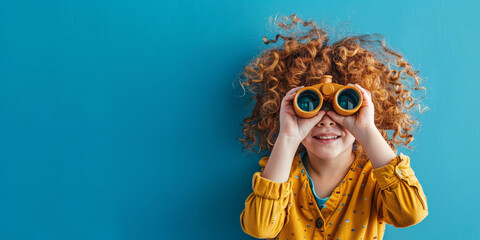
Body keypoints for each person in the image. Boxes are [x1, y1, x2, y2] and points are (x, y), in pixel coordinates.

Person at [237, 14, 428, 240]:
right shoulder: (280, 174)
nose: (326, 120)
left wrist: (366, 130)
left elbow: (411, 213)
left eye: (344, 105)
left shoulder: (375, 179)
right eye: (309, 104)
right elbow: (260, 228)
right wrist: (288, 137)